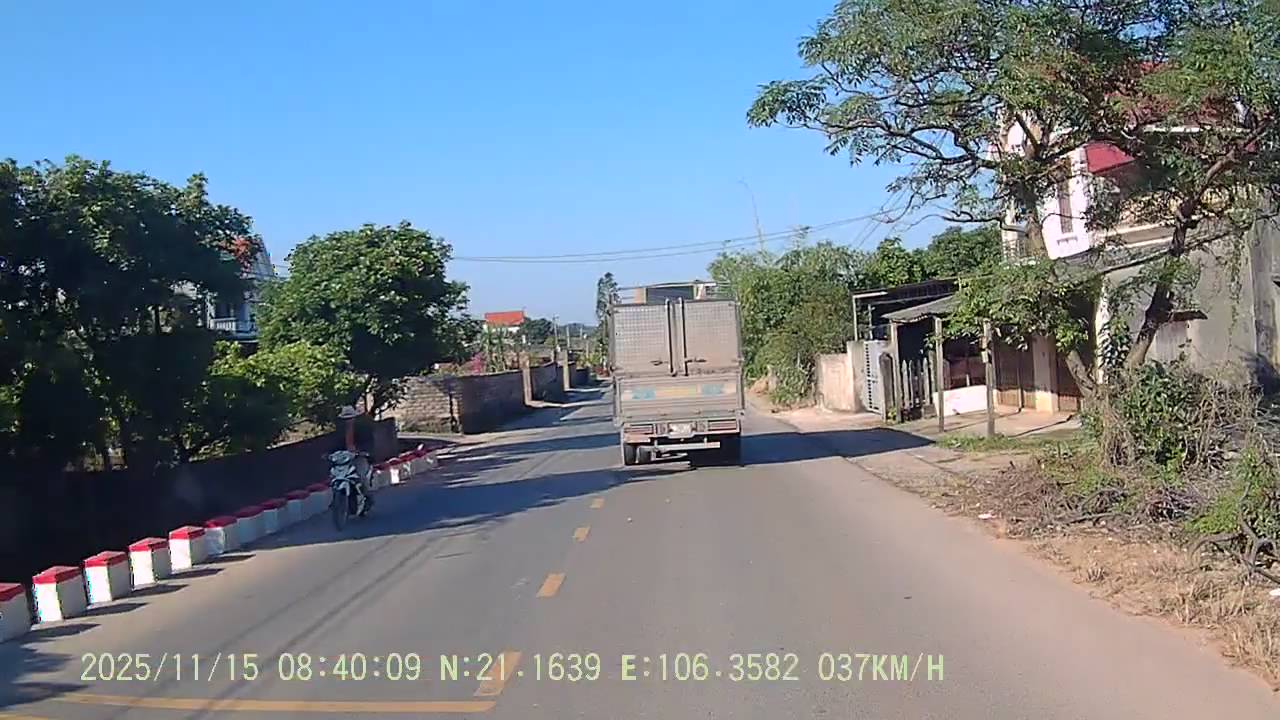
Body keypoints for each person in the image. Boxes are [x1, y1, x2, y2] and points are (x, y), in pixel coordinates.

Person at [334, 405, 375, 513]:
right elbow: (335, 444)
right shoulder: (340, 430)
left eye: (350, 418)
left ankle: (367, 496)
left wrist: (363, 451)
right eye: (346, 418)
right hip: (345, 459)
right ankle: (338, 499)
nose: (348, 420)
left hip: (359, 456)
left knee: (361, 476)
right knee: (336, 474)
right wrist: (330, 453)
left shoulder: (362, 429)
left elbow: (368, 442)